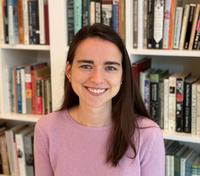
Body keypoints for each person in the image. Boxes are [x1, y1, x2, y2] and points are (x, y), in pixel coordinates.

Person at [34, 23, 165, 176]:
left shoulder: (148, 135)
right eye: (86, 66)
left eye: (110, 68)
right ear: (69, 72)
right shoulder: (46, 128)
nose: (97, 79)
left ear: (122, 75)